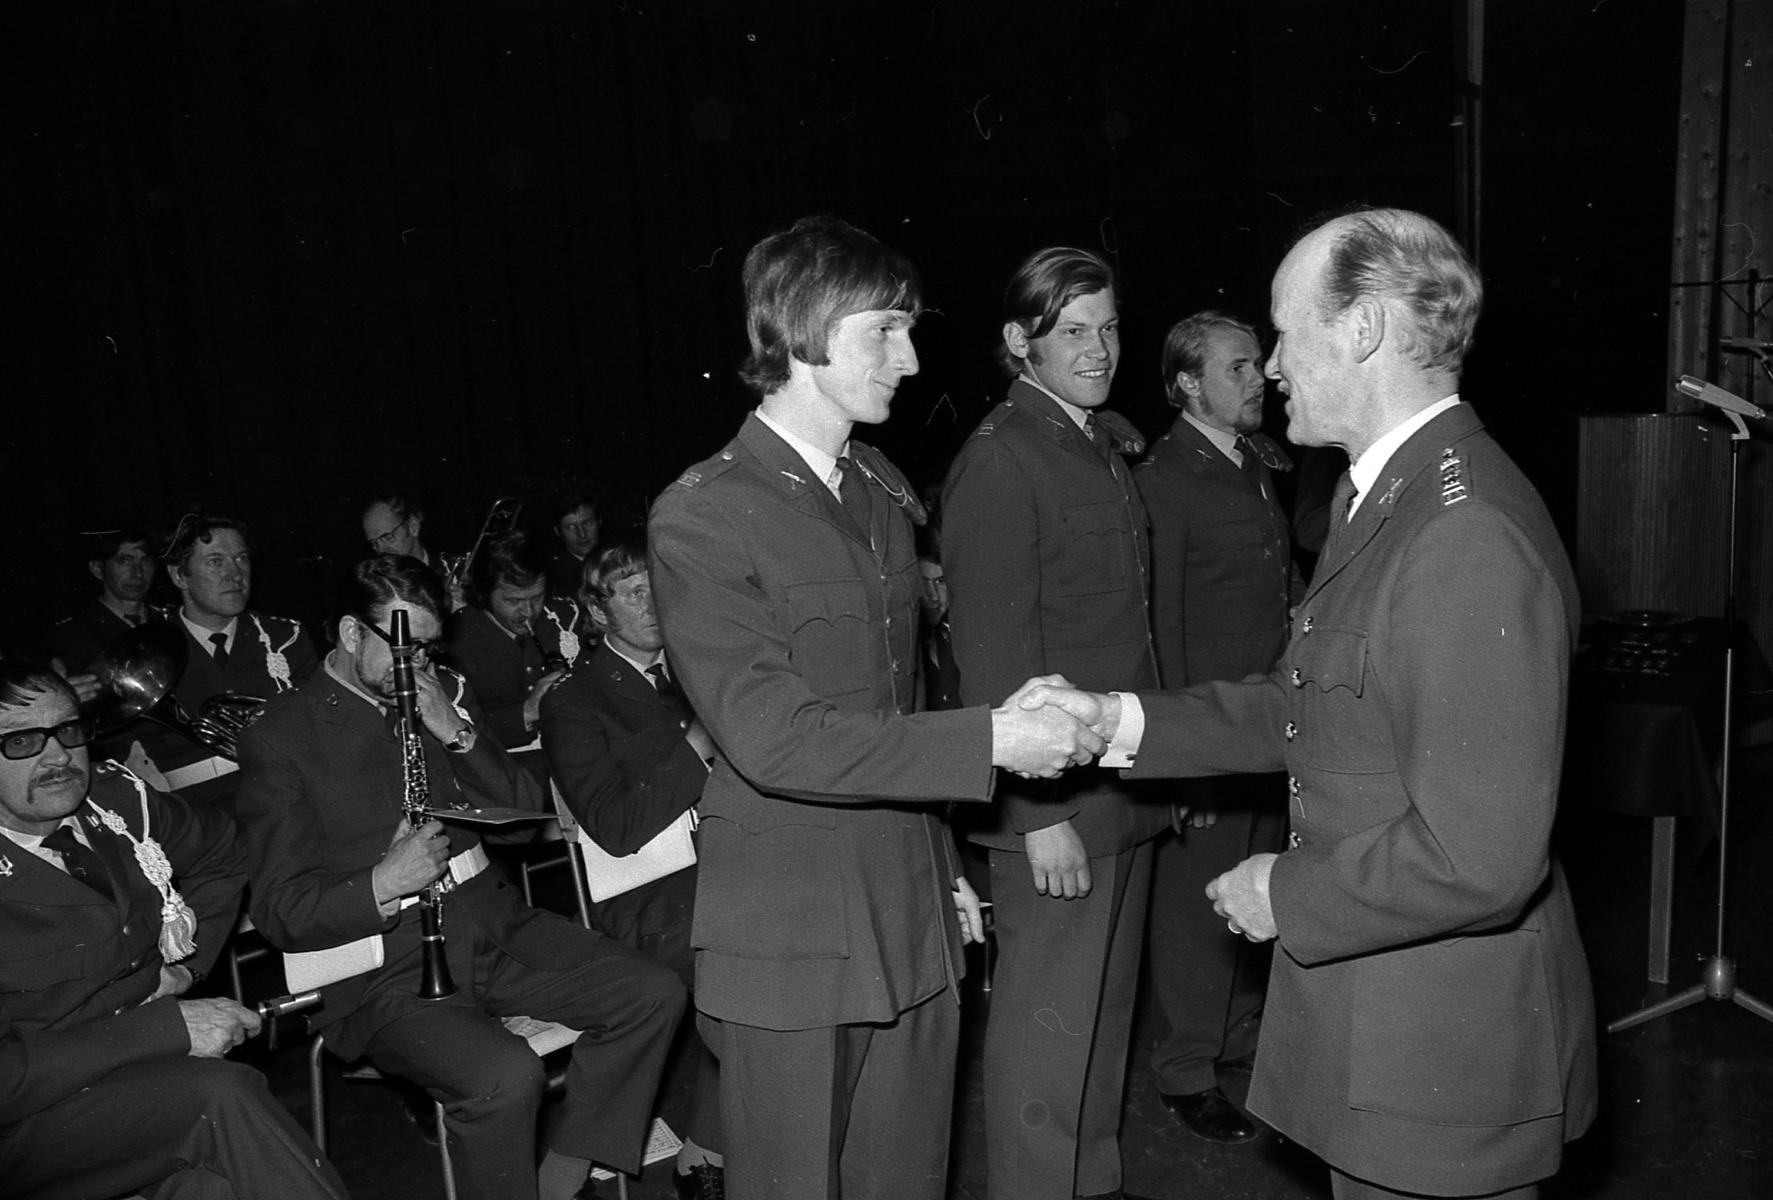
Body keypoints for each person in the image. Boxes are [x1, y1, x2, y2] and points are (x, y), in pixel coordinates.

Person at [1021, 208, 1597, 1200]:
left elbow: (1480, 857)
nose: (1276, 365)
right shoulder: (1385, 498)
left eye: (1287, 333)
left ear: (1364, 329)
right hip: (1384, 1031)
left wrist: (1285, 894)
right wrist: (1116, 720)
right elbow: (1307, 702)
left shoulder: (1462, 533)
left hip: (1435, 1055)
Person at [647, 213, 1104, 1200]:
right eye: (883, 331)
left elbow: (897, 700)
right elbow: (775, 740)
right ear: (803, 332)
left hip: (909, 912)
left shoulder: (876, 490)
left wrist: (939, 869)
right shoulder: (705, 513)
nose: (910, 358)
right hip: (793, 931)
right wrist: (993, 741)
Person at [236, 554, 684, 1200]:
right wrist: (381, 882)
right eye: (405, 646)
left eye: (428, 647)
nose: (417, 664)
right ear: (351, 633)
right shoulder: (282, 736)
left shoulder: (442, 691)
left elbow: (526, 817)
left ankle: (566, 1171)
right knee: (505, 1077)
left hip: (495, 928)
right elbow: (280, 909)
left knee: (652, 991)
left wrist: (454, 730)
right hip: (387, 970)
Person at [940, 245, 1166, 1200]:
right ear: (1017, 340)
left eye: (1107, 328)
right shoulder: (1002, 458)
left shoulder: (1090, 440)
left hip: (1119, 786)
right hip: (1057, 801)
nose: (1098, 349)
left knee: (1101, 1019)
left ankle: (1091, 1184)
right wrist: (1040, 819)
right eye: (1072, 331)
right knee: (1047, 1033)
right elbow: (993, 657)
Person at [0, 660, 349, 1200]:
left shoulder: (115, 800)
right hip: (28, 1121)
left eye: (68, 731)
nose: (58, 757)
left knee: (212, 1188)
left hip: (134, 1087)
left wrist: (184, 968)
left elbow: (226, 854)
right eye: (21, 741)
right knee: (220, 1096)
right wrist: (168, 1028)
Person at [1133, 310, 1299, 1144]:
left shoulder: (1249, 463)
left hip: (1262, 725)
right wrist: (1177, 761)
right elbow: (1157, 628)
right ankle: (1184, 1068)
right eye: (1235, 367)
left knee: (1249, 886)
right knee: (1195, 908)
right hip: (1207, 732)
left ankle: (1235, 1037)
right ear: (1186, 384)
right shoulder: (1163, 478)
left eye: (1256, 363)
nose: (1257, 377)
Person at [540, 539, 723, 1199]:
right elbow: (615, 828)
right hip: (649, 897)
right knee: (756, 964)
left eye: (657, 586)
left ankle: (706, 1150)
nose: (653, 602)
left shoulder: (703, 666)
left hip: (728, 873)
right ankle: (706, 1155)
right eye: (633, 591)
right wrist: (697, 745)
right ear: (596, 611)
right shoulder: (575, 700)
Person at [126, 513, 319, 810]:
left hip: (290, 798)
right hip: (196, 811)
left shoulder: (287, 637)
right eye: (216, 561)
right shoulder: (143, 652)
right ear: (179, 576)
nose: (235, 574)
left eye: (242, 559)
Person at [446, 531, 583, 788]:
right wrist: (528, 711)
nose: (528, 612)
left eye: (536, 597)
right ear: (484, 593)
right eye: (513, 600)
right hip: (507, 776)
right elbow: (458, 734)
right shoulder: (455, 639)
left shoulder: (566, 615)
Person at [47, 527, 169, 677]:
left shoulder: (167, 622)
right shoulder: (73, 635)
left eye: (147, 562)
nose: (138, 573)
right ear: (98, 569)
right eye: (125, 561)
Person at [362, 492, 466, 610]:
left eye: (387, 537)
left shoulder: (451, 572)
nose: (381, 549)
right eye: (374, 543)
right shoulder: (375, 586)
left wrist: (464, 612)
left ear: (413, 526)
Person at [546, 490, 602, 598]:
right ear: (558, 532)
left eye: (587, 523)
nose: (582, 534)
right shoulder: (552, 577)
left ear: (599, 522)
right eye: (571, 527)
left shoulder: (617, 561)